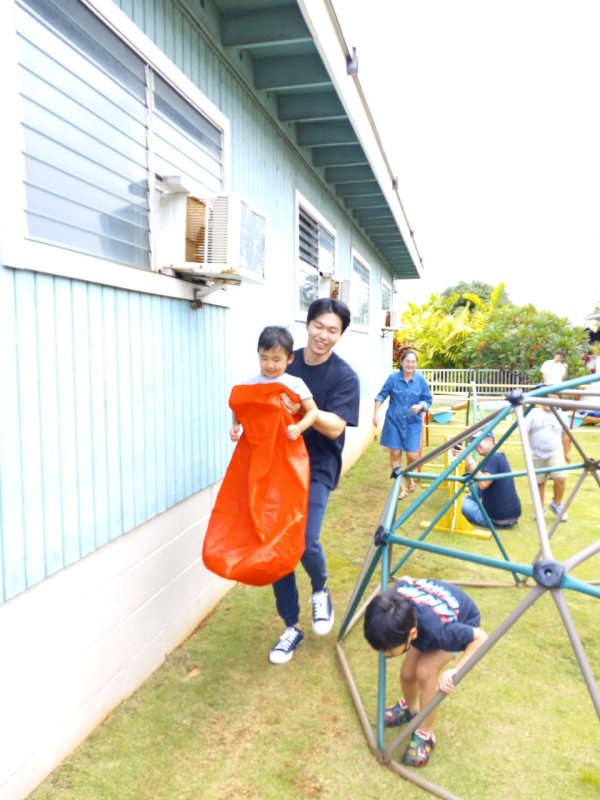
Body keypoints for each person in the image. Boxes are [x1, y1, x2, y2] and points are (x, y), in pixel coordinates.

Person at [269, 298, 360, 665]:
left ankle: (320, 589)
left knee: (306, 541)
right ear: (307, 324)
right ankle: (291, 626)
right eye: (318, 326)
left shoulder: (344, 376)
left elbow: (336, 426)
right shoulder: (286, 362)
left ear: (340, 335)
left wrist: (305, 411)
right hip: (278, 465)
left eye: (332, 330)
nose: (323, 335)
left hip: (318, 466)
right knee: (279, 549)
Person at [363, 577, 487, 768]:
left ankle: (425, 732)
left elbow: (481, 638)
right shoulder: (395, 599)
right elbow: (405, 579)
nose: (384, 654)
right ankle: (410, 709)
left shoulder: (442, 631)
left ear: (412, 634)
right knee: (407, 673)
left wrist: (456, 670)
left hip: (461, 620)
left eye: (388, 650)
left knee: (425, 671)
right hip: (427, 615)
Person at [230, 326, 318, 443]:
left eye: (276, 360)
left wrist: (299, 428)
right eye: (264, 358)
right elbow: (238, 406)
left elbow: (313, 411)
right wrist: (235, 424)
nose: (270, 365)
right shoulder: (249, 384)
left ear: (290, 359)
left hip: (284, 444)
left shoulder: (295, 384)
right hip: (256, 443)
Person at [373, 349, 432, 499]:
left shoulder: (420, 381)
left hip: (413, 424)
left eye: (413, 362)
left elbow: (428, 400)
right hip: (394, 422)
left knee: (412, 456)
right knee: (395, 455)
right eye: (408, 361)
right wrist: (376, 414)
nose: (410, 364)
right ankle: (402, 488)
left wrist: (421, 406)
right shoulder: (393, 379)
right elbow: (380, 396)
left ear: (416, 363)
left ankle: (408, 477)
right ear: (401, 362)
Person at [458, 433, 521, 529]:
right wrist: (462, 458)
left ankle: (467, 501)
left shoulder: (493, 458)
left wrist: (469, 459)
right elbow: (469, 470)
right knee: (478, 480)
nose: (475, 446)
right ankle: (469, 500)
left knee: (459, 503)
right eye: (473, 442)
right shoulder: (499, 456)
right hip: (513, 516)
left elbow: (483, 484)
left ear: (490, 440)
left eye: (478, 441)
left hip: (493, 519)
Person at [525, 394, 571, 522]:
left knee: (561, 478)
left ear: (558, 401)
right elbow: (525, 431)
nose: (549, 402)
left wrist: (567, 452)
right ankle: (539, 509)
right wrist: (527, 450)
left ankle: (556, 504)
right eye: (547, 398)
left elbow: (566, 434)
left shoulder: (562, 415)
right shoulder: (534, 413)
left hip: (555, 452)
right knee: (539, 482)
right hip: (535, 453)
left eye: (553, 399)